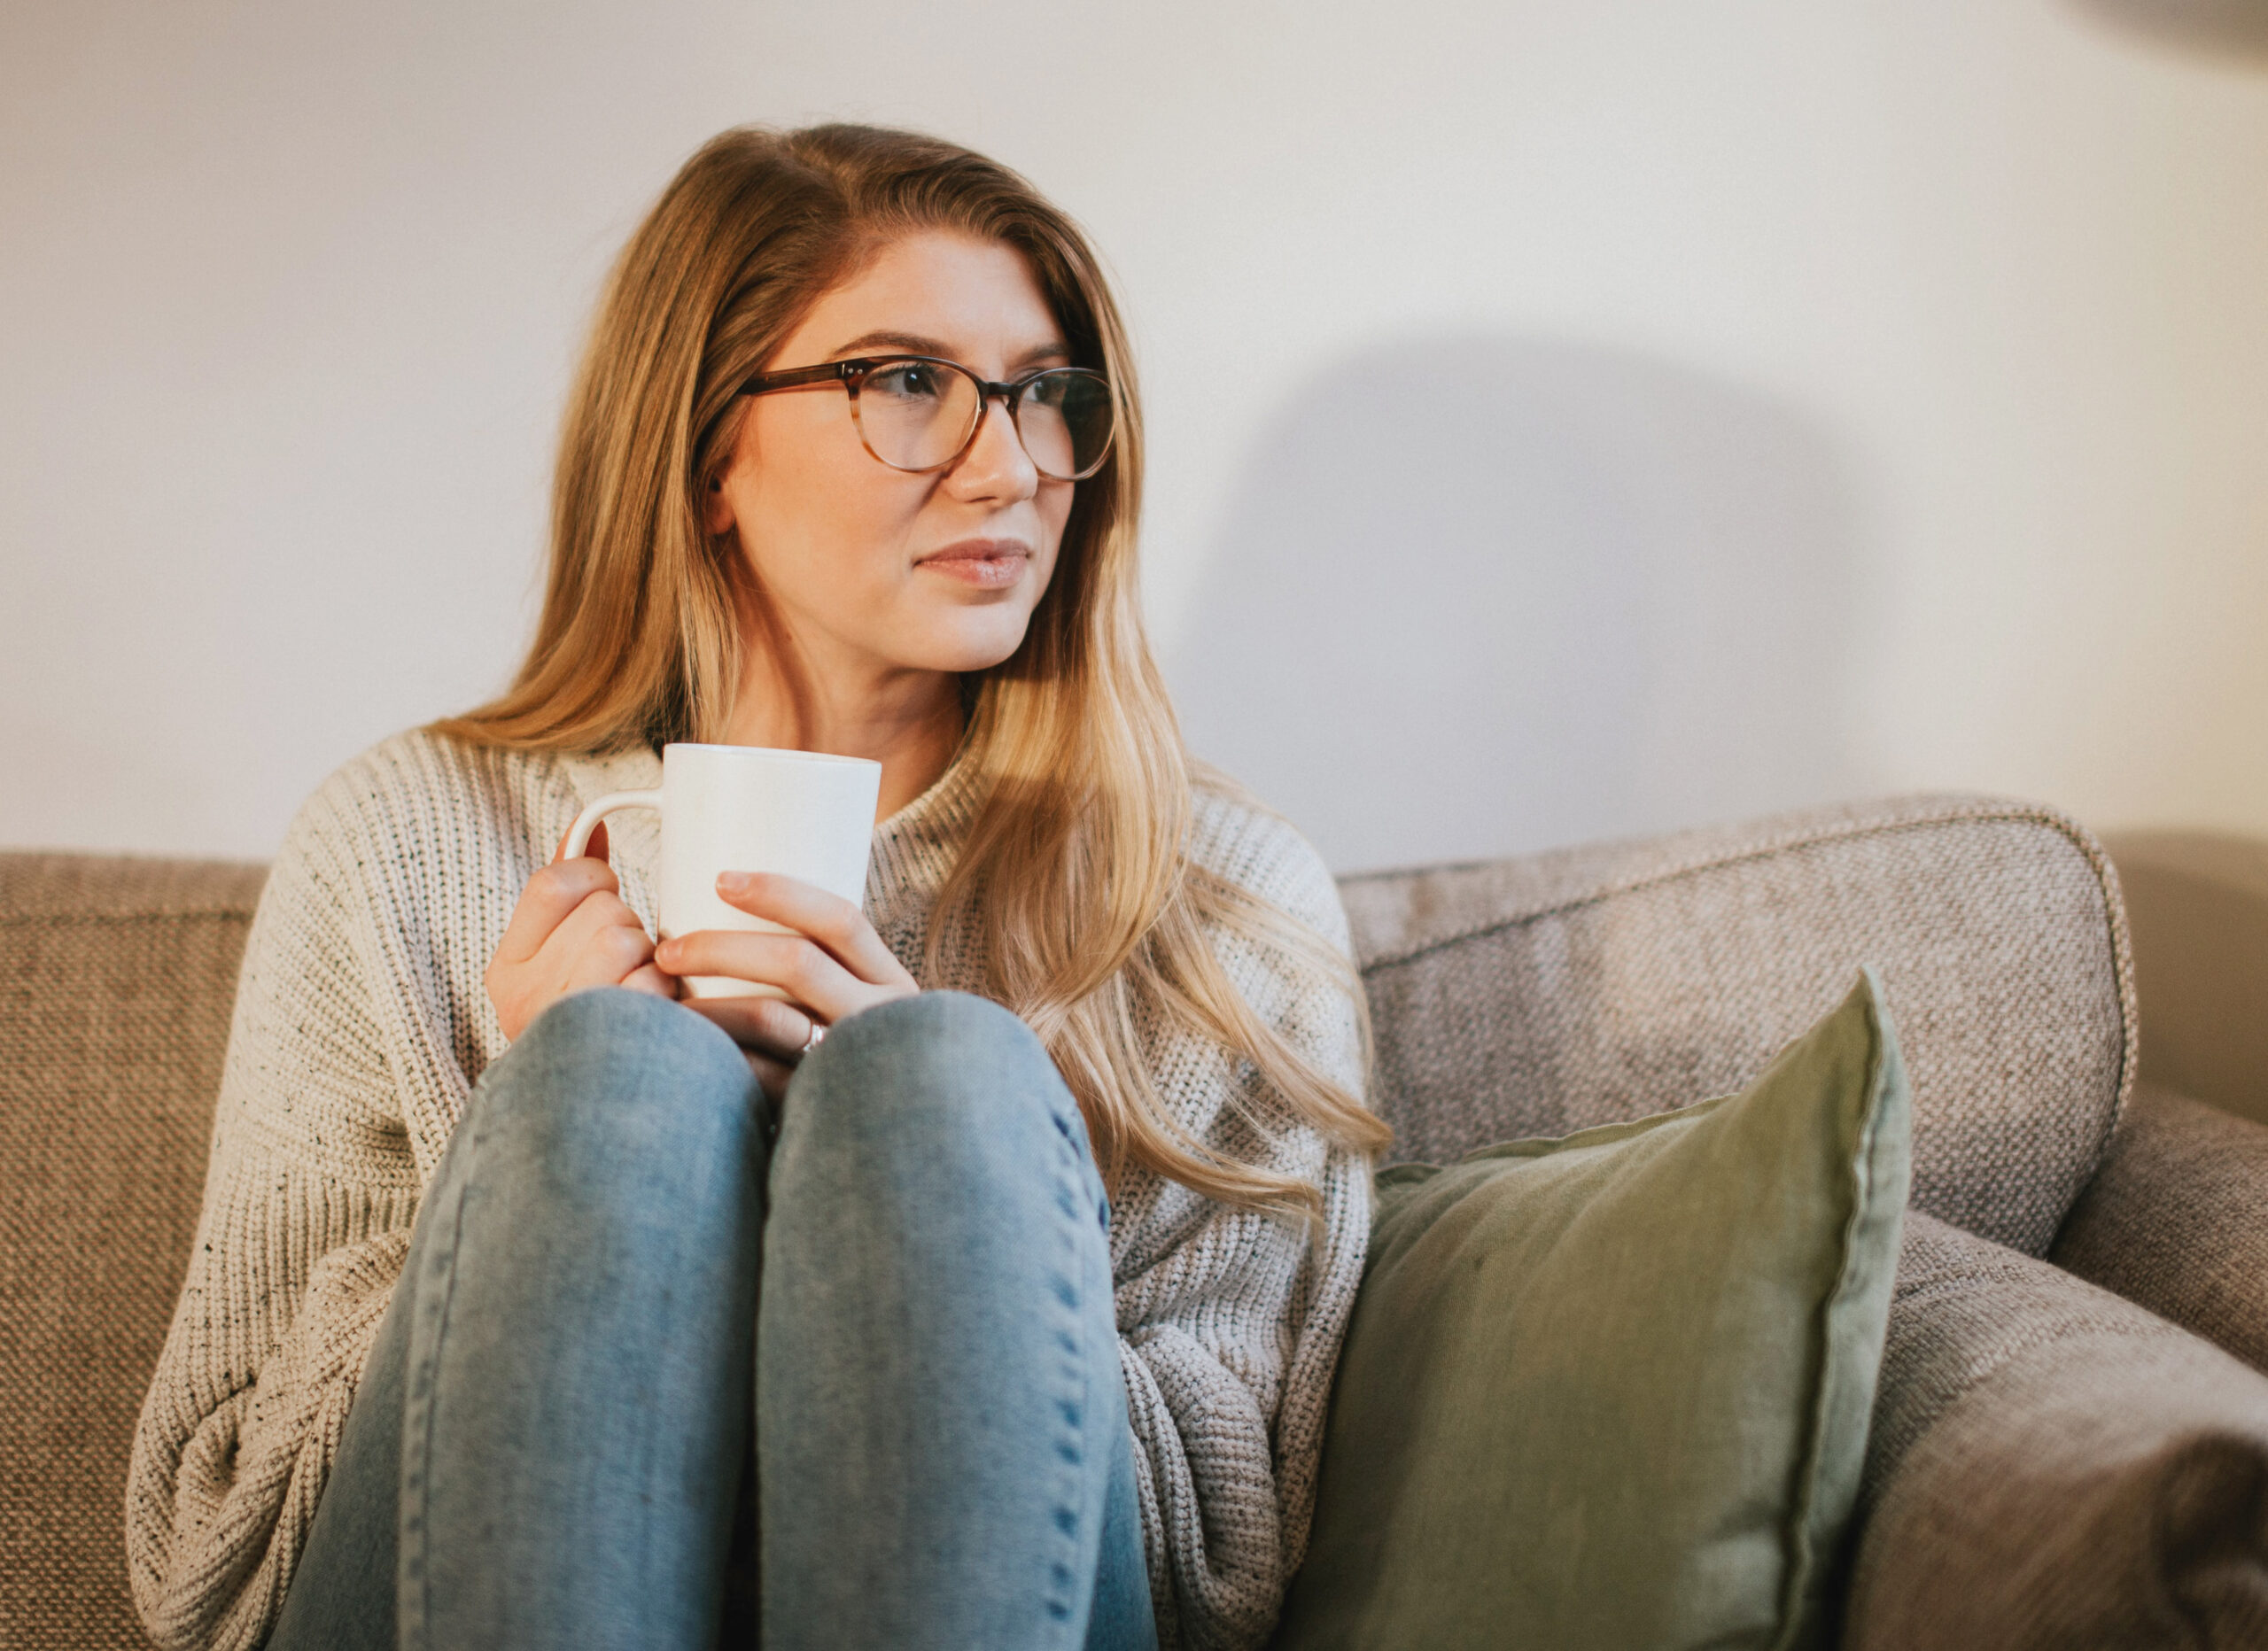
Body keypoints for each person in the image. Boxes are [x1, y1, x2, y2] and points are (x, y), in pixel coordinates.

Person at [124, 122, 1388, 1651]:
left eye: (1043, 391)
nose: (1009, 464)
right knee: (607, 1080)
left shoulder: (1213, 898)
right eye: (908, 383)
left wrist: (940, 1196)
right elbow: (214, 1564)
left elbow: (1218, 1576)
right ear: (710, 449)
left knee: (936, 1083)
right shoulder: (405, 841)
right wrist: (539, 1142)